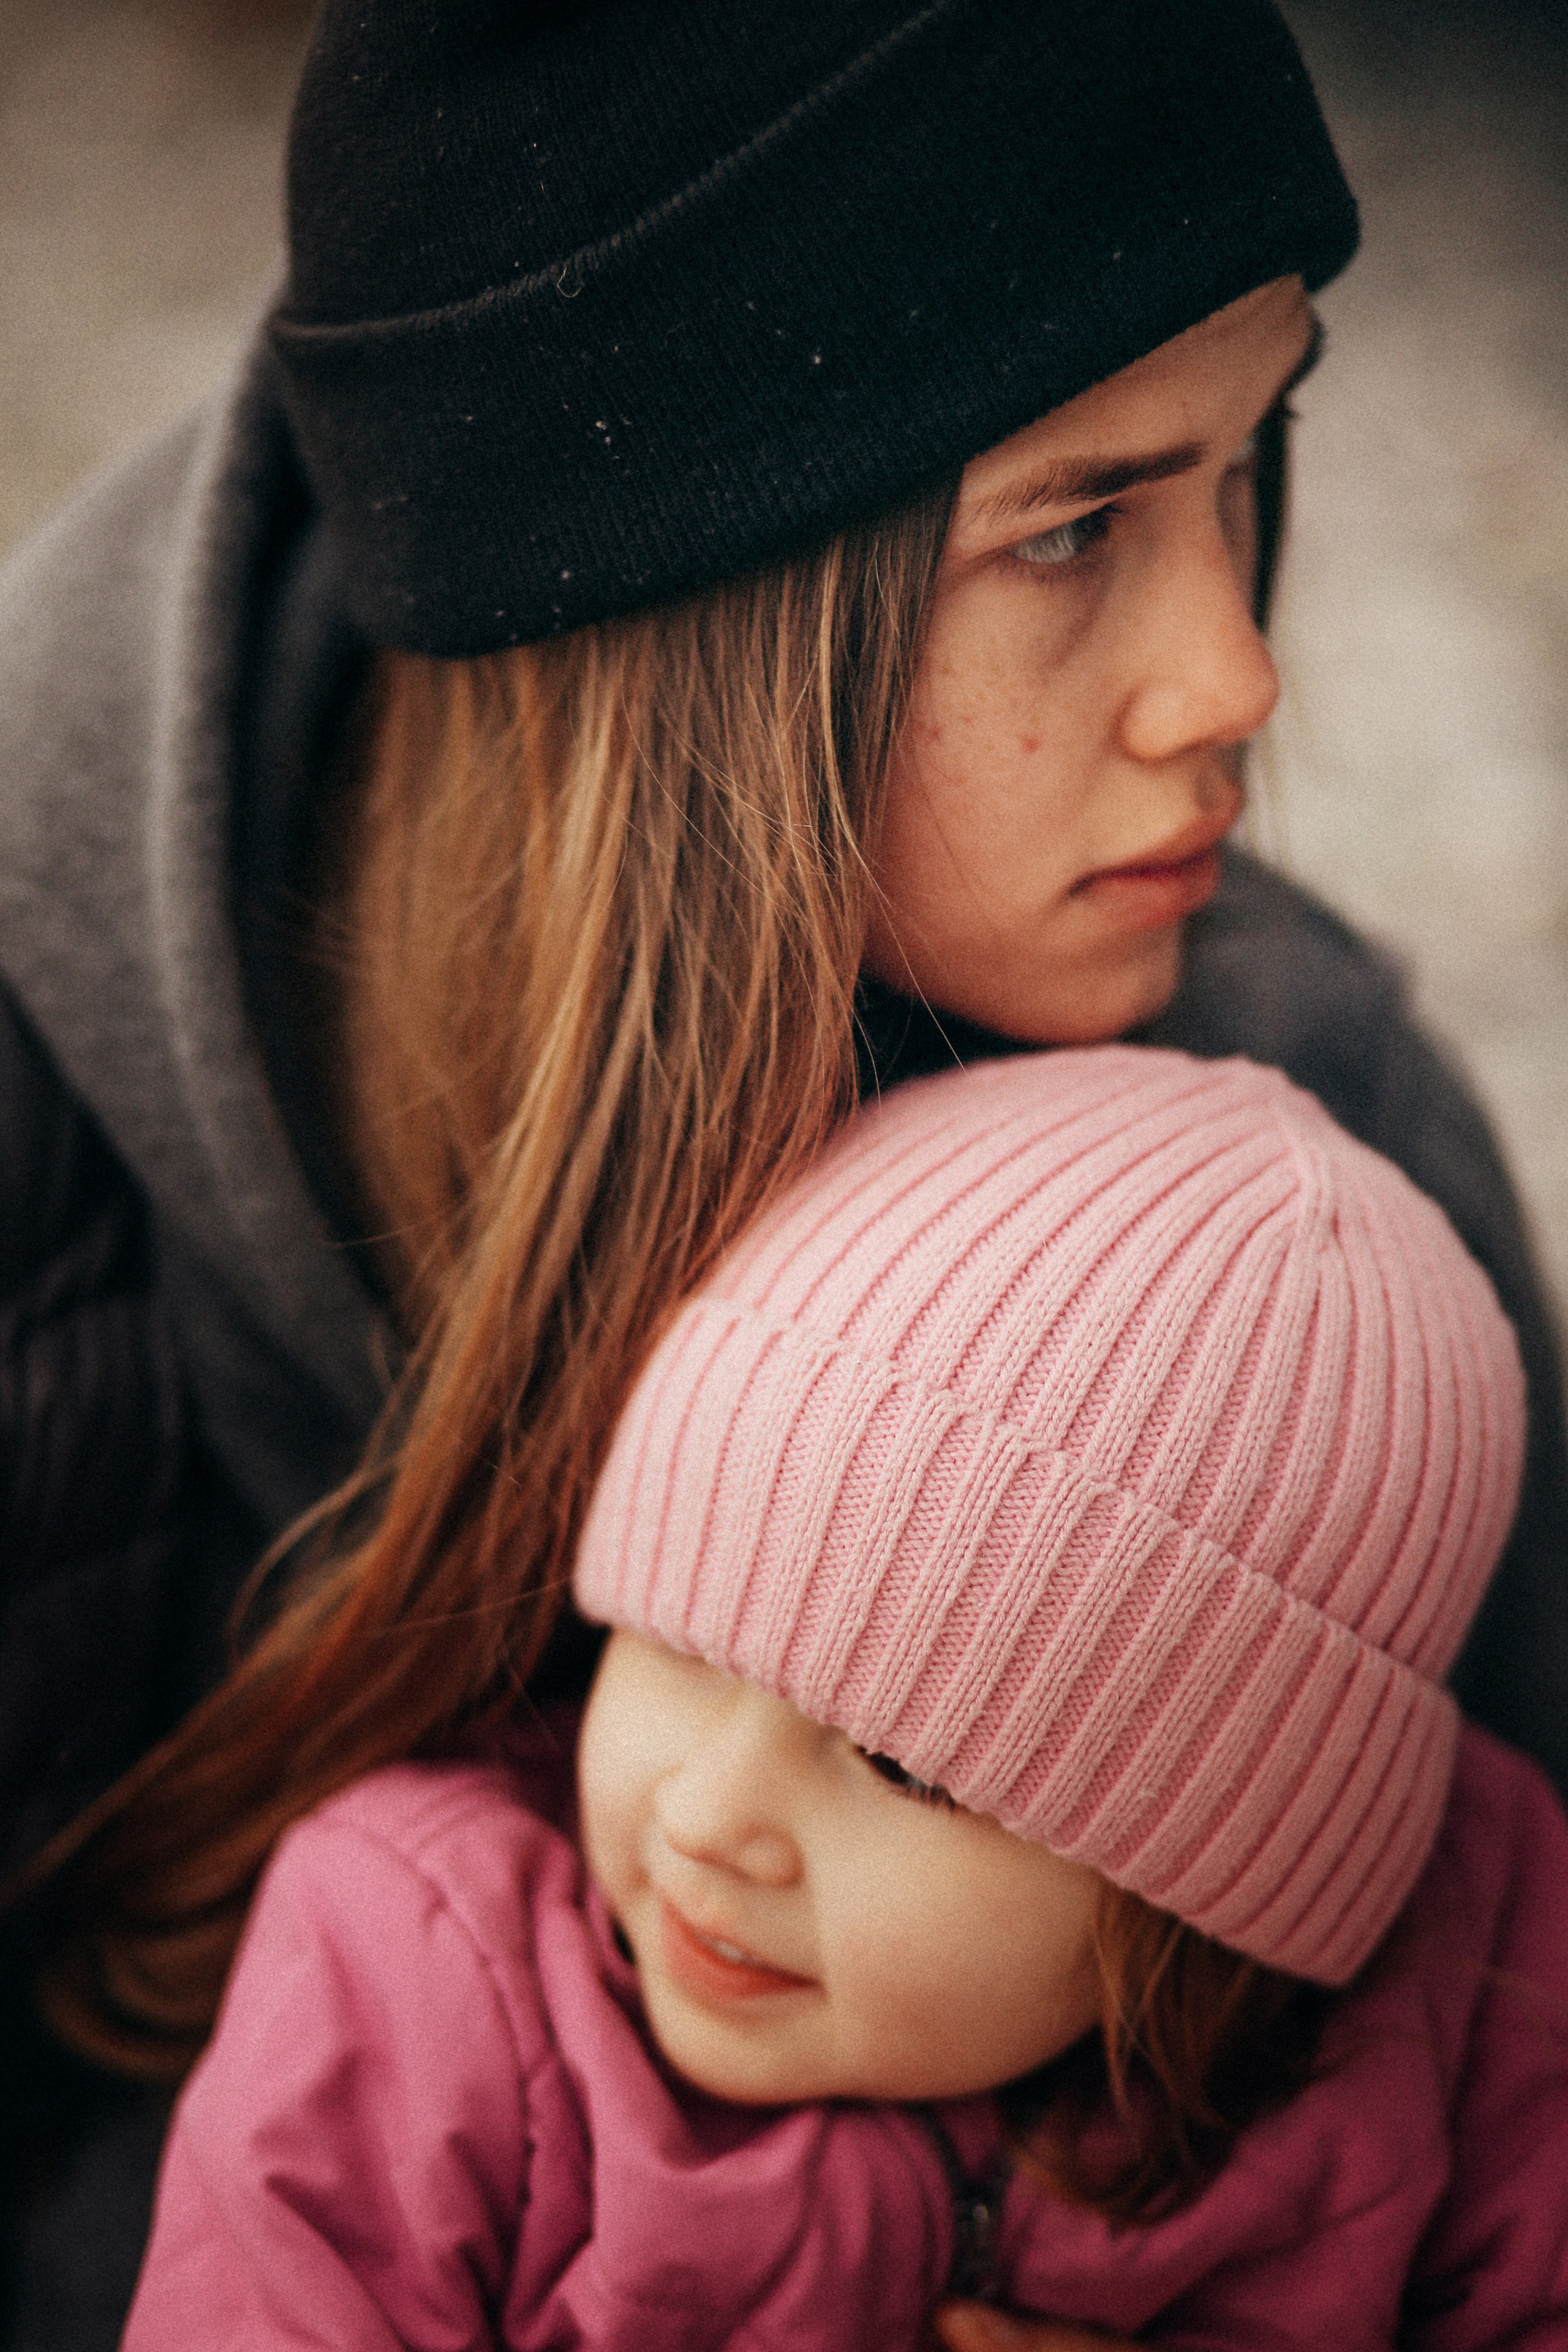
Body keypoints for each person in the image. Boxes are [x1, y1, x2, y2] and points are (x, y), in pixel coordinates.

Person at [1, 1, 1565, 2342]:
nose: (1238, 670)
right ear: (691, 611)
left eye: (1254, 453)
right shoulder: (45, 1155)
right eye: (1077, 524)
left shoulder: (1317, 1206)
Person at [120, 1049, 1568, 2350]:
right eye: (684, 1643)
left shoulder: (1455, 1998)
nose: (710, 1819)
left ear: (1214, 1878)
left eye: (899, 1765)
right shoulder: (419, 1974)